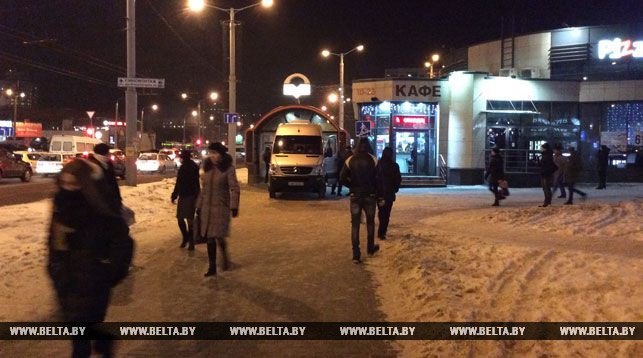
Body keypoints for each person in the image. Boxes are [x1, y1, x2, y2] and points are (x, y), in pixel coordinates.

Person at [48, 158, 134, 357]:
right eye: (65, 183)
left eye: (74, 183)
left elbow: (123, 242)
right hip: (66, 282)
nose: (69, 188)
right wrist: (54, 269)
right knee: (81, 332)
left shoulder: (100, 209)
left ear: (85, 184)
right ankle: (105, 343)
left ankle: (103, 343)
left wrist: (109, 273)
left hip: (93, 283)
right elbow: (51, 242)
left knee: (80, 343)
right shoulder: (59, 206)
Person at [197, 142, 240, 277]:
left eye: (215, 153)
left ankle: (224, 257)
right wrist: (199, 205)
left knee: (219, 237)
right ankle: (212, 267)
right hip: (207, 209)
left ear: (221, 154)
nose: (212, 156)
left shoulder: (228, 168)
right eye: (210, 153)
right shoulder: (207, 167)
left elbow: (234, 188)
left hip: (221, 207)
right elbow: (204, 189)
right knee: (210, 238)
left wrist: (234, 206)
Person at [339, 138, 379, 264]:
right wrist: (376, 191)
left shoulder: (350, 160)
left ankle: (356, 254)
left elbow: (342, 178)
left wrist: (351, 186)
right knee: (370, 222)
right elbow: (378, 179)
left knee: (355, 224)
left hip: (355, 195)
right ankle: (370, 248)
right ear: (368, 146)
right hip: (370, 195)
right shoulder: (373, 160)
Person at [172, 150, 200, 250]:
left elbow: (179, 183)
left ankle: (186, 238)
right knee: (190, 219)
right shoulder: (194, 166)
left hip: (185, 195)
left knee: (181, 219)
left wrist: (174, 195)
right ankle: (190, 240)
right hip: (191, 195)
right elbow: (197, 183)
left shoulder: (184, 168)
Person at [376, 147, 402, 239]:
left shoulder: (378, 165)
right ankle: (382, 232)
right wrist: (395, 189)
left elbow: (375, 179)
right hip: (389, 194)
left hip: (380, 193)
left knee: (381, 211)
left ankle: (381, 230)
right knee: (386, 213)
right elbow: (398, 179)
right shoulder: (394, 166)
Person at [88, 143, 122, 209]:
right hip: (98, 204)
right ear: (104, 153)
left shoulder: (108, 163)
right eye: (108, 151)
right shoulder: (92, 165)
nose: (109, 153)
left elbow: (113, 183)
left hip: (111, 201)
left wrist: (118, 199)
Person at [539, 143, 558, 207]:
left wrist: (545, 171)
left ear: (545, 149)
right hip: (545, 174)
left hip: (545, 174)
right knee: (546, 188)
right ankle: (547, 201)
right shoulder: (547, 155)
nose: (540, 149)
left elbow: (547, 165)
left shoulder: (546, 156)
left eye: (541, 148)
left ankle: (547, 201)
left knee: (546, 188)